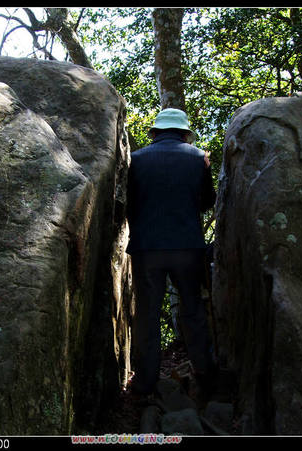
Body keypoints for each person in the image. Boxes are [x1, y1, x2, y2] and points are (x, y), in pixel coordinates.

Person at [126, 108, 216, 398]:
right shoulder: (199, 158)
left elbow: (129, 203)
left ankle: (145, 385)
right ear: (184, 132)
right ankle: (205, 376)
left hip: (146, 248)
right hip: (188, 248)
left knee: (147, 317)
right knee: (193, 311)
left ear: (155, 132)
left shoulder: (136, 160)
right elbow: (208, 201)